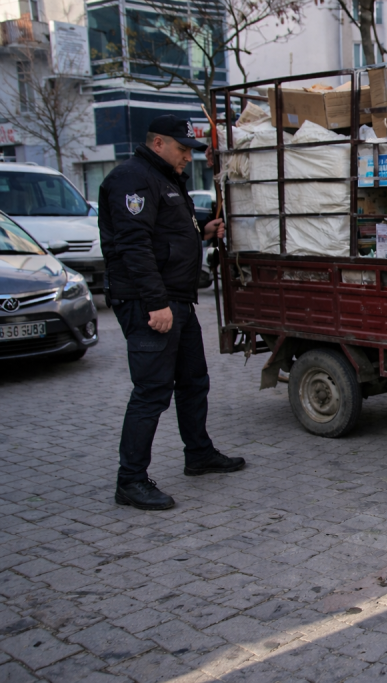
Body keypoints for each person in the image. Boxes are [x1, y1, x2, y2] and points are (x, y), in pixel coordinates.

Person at [99, 114, 245, 511]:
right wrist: (155, 303)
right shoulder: (132, 179)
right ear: (158, 143)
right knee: (151, 392)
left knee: (194, 381)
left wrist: (202, 229)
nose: (187, 156)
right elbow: (134, 246)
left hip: (178, 299)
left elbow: (166, 230)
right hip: (152, 304)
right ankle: (130, 480)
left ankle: (198, 454)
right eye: (182, 149)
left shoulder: (166, 178)